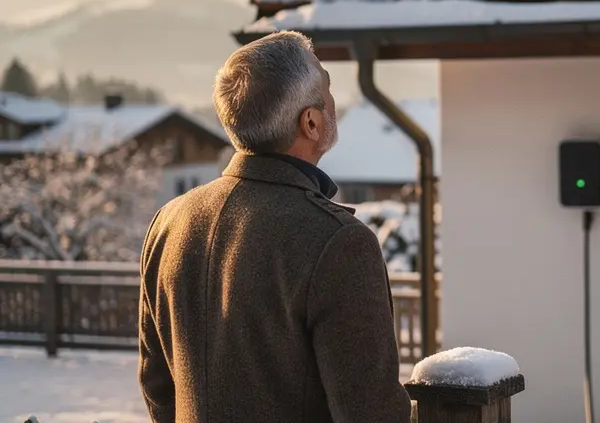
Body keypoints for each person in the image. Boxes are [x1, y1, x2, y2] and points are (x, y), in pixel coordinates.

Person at [137, 31, 411, 422]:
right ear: (311, 122)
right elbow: (371, 412)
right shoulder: (338, 241)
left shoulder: (169, 222)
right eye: (328, 88)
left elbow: (157, 387)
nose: (334, 101)